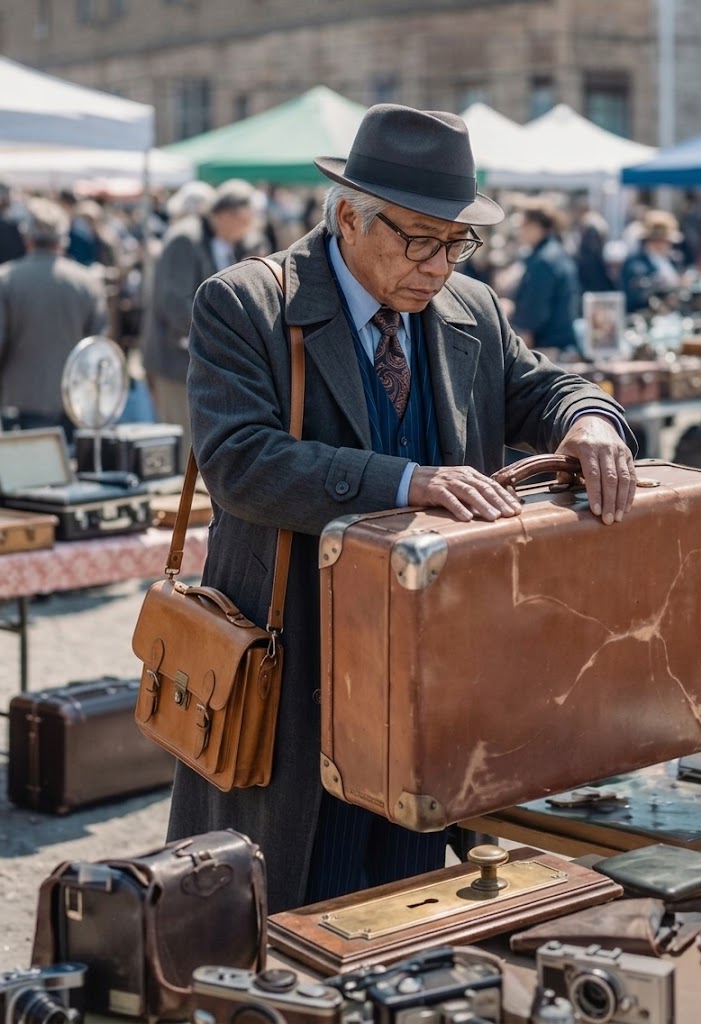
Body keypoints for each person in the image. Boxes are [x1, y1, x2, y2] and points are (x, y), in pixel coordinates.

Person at [166, 103, 638, 914]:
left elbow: (546, 386)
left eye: (458, 243)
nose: (439, 264)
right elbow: (239, 462)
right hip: (296, 663)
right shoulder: (243, 303)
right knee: (281, 905)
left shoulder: (472, 309)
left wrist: (590, 419)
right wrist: (403, 479)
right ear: (349, 215)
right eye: (420, 239)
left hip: (430, 672)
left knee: (418, 897)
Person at [141, 178, 259, 448]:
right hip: (176, 360)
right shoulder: (185, 238)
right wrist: (218, 337)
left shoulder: (232, 242)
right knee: (183, 444)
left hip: (207, 358)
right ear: (228, 215)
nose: (250, 227)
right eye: (246, 220)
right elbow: (173, 303)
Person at [0, 197, 108, 439]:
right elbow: (97, 347)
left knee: (24, 475)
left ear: (27, 237)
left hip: (19, 401)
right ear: (63, 239)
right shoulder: (87, 282)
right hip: (74, 401)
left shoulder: (6, 280)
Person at [509, 199, 582, 354]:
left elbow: (535, 311)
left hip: (549, 345)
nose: (519, 231)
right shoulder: (555, 252)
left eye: (522, 226)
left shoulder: (544, 260)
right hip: (561, 341)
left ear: (535, 227)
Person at [619, 209, 686, 314]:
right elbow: (637, 294)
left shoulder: (674, 260)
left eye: (664, 240)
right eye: (656, 240)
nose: (662, 244)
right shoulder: (635, 264)